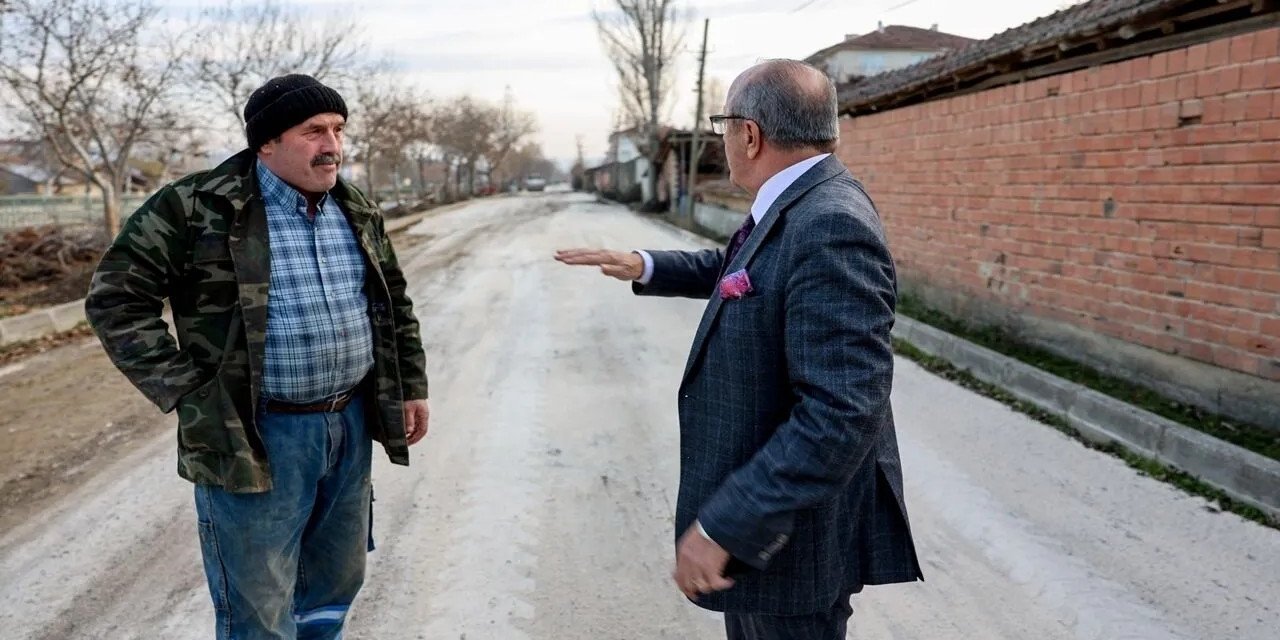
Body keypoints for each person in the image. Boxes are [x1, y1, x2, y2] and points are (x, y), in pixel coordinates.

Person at [555, 59, 922, 639]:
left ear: (749, 134)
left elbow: (843, 410)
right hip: (773, 547)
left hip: (791, 546)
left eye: (723, 126)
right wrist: (646, 264)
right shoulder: (801, 200)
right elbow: (745, 269)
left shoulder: (829, 221)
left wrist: (729, 523)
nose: (722, 139)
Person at [85, 74, 430, 639]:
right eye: (314, 131)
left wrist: (410, 385)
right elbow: (115, 298)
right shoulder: (196, 206)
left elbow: (393, 301)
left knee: (333, 584)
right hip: (254, 435)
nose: (333, 146)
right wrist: (188, 389)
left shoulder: (356, 207)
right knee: (259, 608)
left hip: (347, 423)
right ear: (267, 142)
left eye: (338, 130)